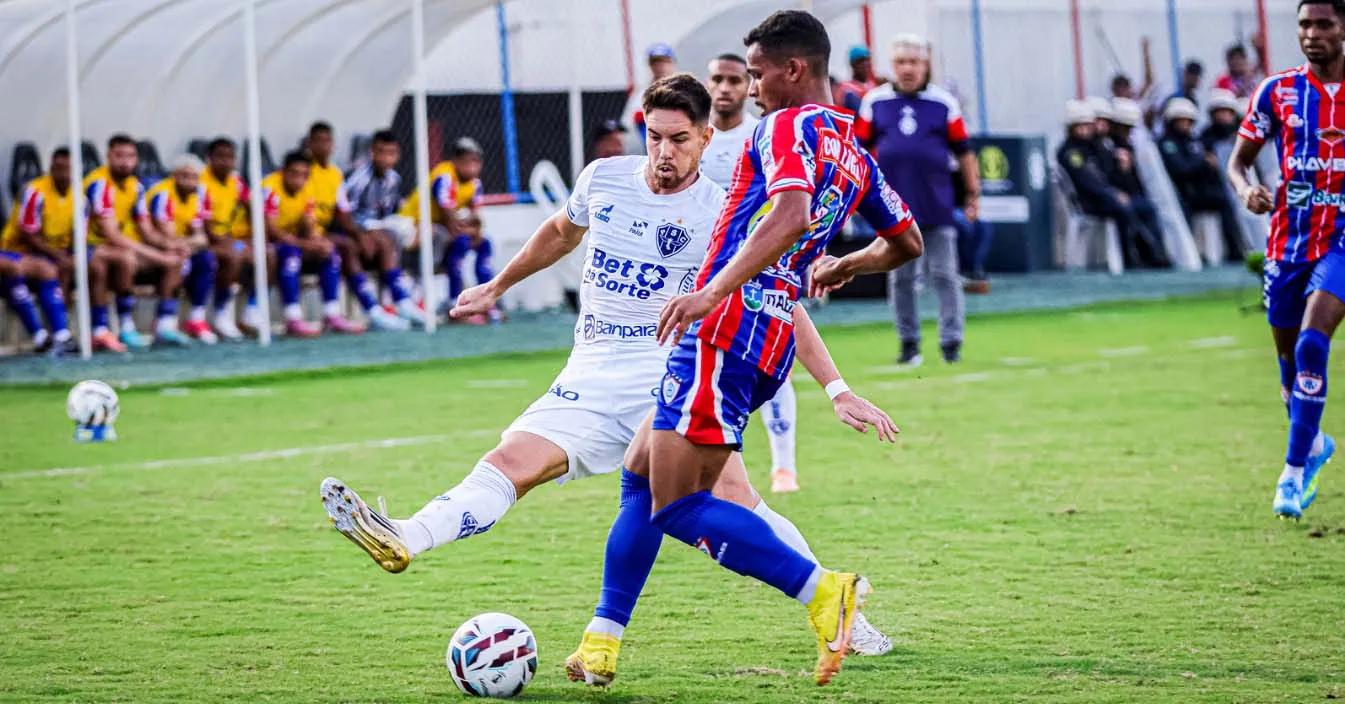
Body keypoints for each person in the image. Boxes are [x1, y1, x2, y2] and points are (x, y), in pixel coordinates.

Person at [317, 72, 898, 679]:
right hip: (589, 373)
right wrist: (498, 284)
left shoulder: (725, 209)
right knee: (509, 464)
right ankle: (409, 535)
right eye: (654, 137)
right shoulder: (605, 178)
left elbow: (779, 299)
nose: (664, 153)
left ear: (704, 139)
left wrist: (837, 387)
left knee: (725, 500)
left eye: (679, 139)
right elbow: (560, 232)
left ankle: (843, 617)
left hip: (671, 371)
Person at [624, 11, 923, 686]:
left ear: (792, 69)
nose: (750, 85)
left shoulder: (785, 125)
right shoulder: (855, 152)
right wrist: (848, 263)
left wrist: (709, 292)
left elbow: (788, 215)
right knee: (640, 473)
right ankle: (602, 636)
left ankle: (825, 590)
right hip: (769, 342)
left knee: (671, 504)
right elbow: (907, 244)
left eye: (754, 72)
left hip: (722, 329)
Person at [1227, 0, 1345, 519]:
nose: (1312, 34)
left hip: (1342, 237)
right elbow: (1238, 162)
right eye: (1303, 24)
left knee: (1314, 342)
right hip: (1289, 241)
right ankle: (1313, 443)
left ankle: (1292, 475)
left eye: (1323, 24)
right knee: (1289, 365)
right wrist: (1245, 189)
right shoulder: (1278, 91)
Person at [701, 52, 798, 493]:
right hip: (697, 273)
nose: (725, 88)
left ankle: (783, 467)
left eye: (735, 80)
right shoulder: (692, 139)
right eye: (717, 79)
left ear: (748, 86)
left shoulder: (761, 137)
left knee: (771, 360)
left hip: (757, 271)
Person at [858, 33, 979, 365]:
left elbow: (965, 153)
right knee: (901, 279)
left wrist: (973, 195)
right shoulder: (874, 102)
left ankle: (951, 343)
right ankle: (908, 343)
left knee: (945, 275)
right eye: (901, 62)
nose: (907, 69)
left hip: (937, 206)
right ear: (892, 66)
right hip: (892, 212)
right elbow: (860, 152)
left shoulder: (943, 103)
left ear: (925, 65)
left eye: (914, 62)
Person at [1, 147, 120, 352]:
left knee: (95, 265)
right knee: (46, 268)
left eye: (70, 168)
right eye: (60, 168)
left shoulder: (80, 198)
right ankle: (48, 335)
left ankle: (96, 330)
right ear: (52, 168)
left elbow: (79, 235)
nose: (65, 173)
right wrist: (58, 256)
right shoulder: (35, 192)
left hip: (56, 252)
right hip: (21, 250)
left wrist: (72, 255)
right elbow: (29, 234)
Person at [85, 133, 190, 348]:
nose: (125, 162)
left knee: (175, 258)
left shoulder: (136, 187)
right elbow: (111, 235)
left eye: (130, 156)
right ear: (109, 156)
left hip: (120, 248)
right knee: (126, 258)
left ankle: (164, 324)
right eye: (119, 156)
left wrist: (171, 246)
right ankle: (123, 326)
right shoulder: (99, 184)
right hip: (91, 247)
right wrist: (157, 256)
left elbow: (147, 230)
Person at [1057, 100, 1169, 269]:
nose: (1086, 129)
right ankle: (1131, 257)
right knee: (1123, 209)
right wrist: (1113, 194)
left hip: (1107, 197)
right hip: (1089, 202)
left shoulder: (1097, 146)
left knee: (1146, 206)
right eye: (1080, 125)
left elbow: (1107, 175)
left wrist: (1123, 167)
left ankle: (1158, 253)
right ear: (1071, 127)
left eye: (1088, 125)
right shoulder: (1070, 152)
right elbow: (1088, 183)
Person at [303, 122, 390, 332]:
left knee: (366, 242)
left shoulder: (334, 174)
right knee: (342, 248)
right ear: (309, 144)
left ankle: (385, 306)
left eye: (328, 141)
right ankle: (345, 312)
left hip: (323, 233)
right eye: (319, 141)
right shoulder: (303, 172)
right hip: (303, 235)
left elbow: (342, 213)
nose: (324, 146)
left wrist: (359, 235)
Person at [342, 129, 425, 328]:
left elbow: (392, 212)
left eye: (391, 153)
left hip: (380, 231)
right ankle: (389, 305)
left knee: (419, 234)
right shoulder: (358, 179)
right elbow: (344, 213)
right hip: (355, 232)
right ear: (372, 152)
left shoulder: (394, 179)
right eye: (381, 152)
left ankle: (409, 299)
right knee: (383, 241)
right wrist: (363, 233)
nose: (386, 158)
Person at [404, 138, 494, 319]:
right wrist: (468, 231)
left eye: (476, 162)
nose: (472, 167)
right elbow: (449, 218)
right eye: (467, 162)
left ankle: (487, 299)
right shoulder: (445, 177)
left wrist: (475, 232)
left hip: (440, 228)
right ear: (456, 161)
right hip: (416, 224)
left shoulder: (474, 183)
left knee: (484, 244)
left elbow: (477, 219)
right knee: (460, 243)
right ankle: (454, 301)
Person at [259, 151, 339, 338]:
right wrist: (306, 244)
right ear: (283, 172)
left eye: (304, 175)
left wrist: (317, 241)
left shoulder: (307, 190)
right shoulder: (270, 188)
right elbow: (271, 231)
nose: (299, 180)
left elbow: (309, 223)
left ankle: (331, 313)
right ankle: (292, 317)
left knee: (330, 252)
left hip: (294, 241)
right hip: (266, 242)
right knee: (290, 255)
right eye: (294, 174)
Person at [145, 155, 219, 344]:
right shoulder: (162, 194)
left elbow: (202, 237)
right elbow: (167, 235)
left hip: (181, 247)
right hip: (155, 246)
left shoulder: (199, 194)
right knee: (177, 260)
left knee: (206, 259)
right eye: (184, 176)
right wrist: (188, 243)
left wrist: (187, 243)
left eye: (194, 177)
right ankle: (164, 321)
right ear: (174, 176)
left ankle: (196, 318)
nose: (189, 181)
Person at [1159, 97, 1243, 261]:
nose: (1185, 125)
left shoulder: (1194, 141)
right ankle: (1188, 254)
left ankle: (1235, 250)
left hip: (1200, 190)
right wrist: (1203, 161)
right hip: (1183, 193)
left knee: (1225, 201)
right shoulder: (1167, 143)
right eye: (1181, 120)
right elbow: (1181, 169)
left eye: (1188, 121)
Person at [198, 138, 250, 340]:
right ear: (209, 158)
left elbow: (251, 206)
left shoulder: (236, 182)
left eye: (230, 157)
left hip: (229, 240)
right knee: (235, 255)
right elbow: (205, 225)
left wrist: (251, 236)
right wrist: (227, 242)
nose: (226, 162)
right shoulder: (202, 182)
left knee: (265, 253)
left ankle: (252, 312)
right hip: (205, 241)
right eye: (220, 156)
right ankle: (221, 312)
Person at [834, 45, 883, 112]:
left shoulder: (874, 86)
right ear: (852, 64)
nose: (865, 65)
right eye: (860, 61)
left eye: (867, 60)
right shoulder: (845, 89)